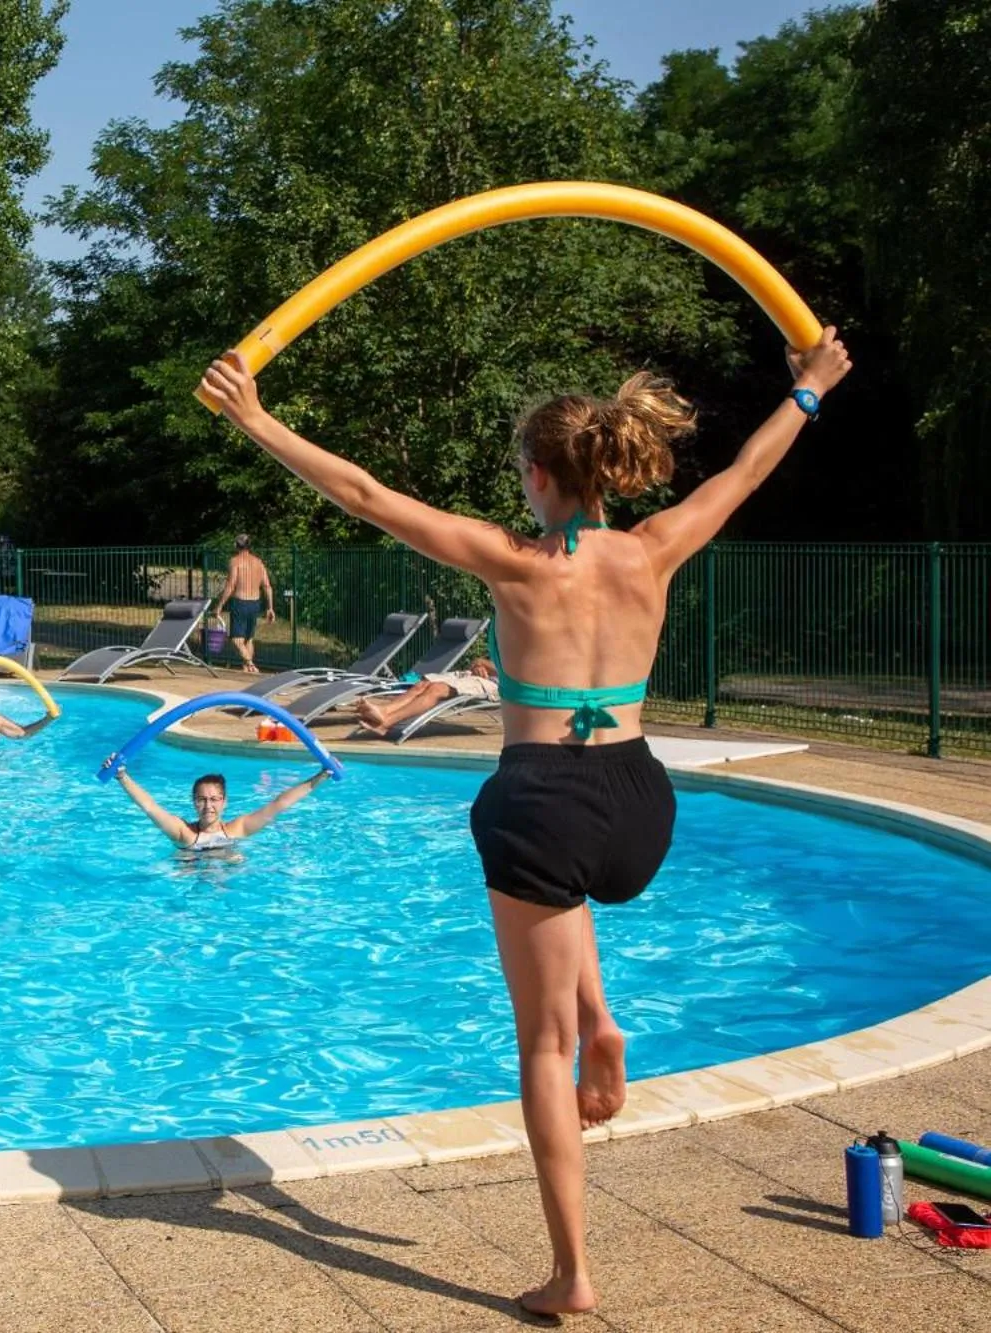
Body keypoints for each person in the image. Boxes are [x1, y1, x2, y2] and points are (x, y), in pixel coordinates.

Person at [199, 329, 852, 1317]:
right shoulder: (654, 547)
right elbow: (748, 472)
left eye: (520, 471)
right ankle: (602, 1018)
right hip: (640, 800)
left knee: (541, 1047)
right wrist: (806, 391)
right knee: (567, 887)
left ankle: (569, 1270)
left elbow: (365, 495)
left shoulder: (512, 561)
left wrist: (255, 419)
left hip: (543, 796)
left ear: (540, 475)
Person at [112, 765, 329, 851]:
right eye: (202, 799)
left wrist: (321, 776)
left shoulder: (239, 829)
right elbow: (149, 806)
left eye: (214, 799)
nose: (208, 806)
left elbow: (280, 804)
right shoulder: (184, 833)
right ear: (194, 802)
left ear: (224, 801)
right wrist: (122, 776)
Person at [351, 658, 499, 738]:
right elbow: (480, 661)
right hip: (473, 675)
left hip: (495, 685)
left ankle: (386, 723)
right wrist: (479, 664)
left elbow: (508, 670)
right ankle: (384, 711)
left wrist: (483, 663)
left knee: (436, 689)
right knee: (422, 684)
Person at [211, 534, 276, 673]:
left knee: (236, 639)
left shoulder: (235, 562)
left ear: (236, 545)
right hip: (255, 604)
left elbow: (230, 586)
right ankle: (247, 669)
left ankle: (250, 663)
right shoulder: (258, 562)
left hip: (240, 603)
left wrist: (219, 606)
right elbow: (267, 586)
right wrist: (270, 608)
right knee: (249, 639)